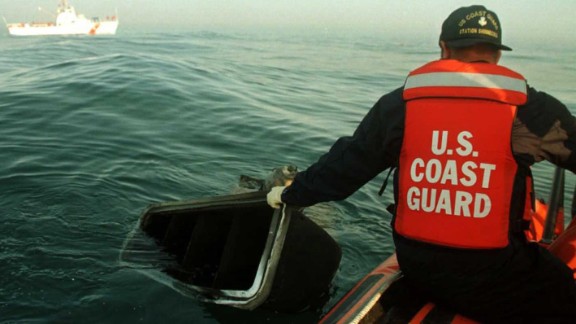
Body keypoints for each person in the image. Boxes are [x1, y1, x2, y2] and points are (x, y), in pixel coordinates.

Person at [266, 5, 576, 323]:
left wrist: (289, 194)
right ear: (497, 55)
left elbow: (343, 170)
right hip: (495, 275)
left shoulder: (398, 105)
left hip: (418, 267)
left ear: (443, 48)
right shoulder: (531, 110)